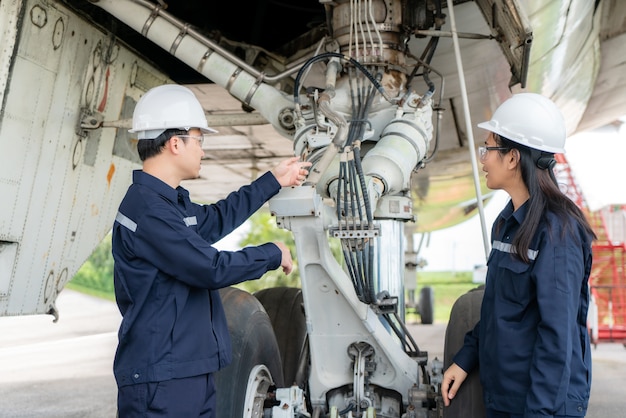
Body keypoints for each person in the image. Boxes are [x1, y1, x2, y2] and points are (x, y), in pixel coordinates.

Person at [111, 84, 311, 417]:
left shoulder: (169, 204)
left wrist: (273, 180)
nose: (203, 150)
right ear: (175, 143)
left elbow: (216, 219)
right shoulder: (148, 212)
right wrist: (271, 254)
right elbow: (211, 268)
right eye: (199, 140)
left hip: (188, 372)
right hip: (162, 378)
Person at [441, 93, 596, 417]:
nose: (483, 159)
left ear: (512, 158)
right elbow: (499, 308)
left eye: (489, 149)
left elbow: (557, 337)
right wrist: (466, 358)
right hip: (506, 401)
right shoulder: (508, 223)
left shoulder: (557, 232)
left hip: (541, 406)